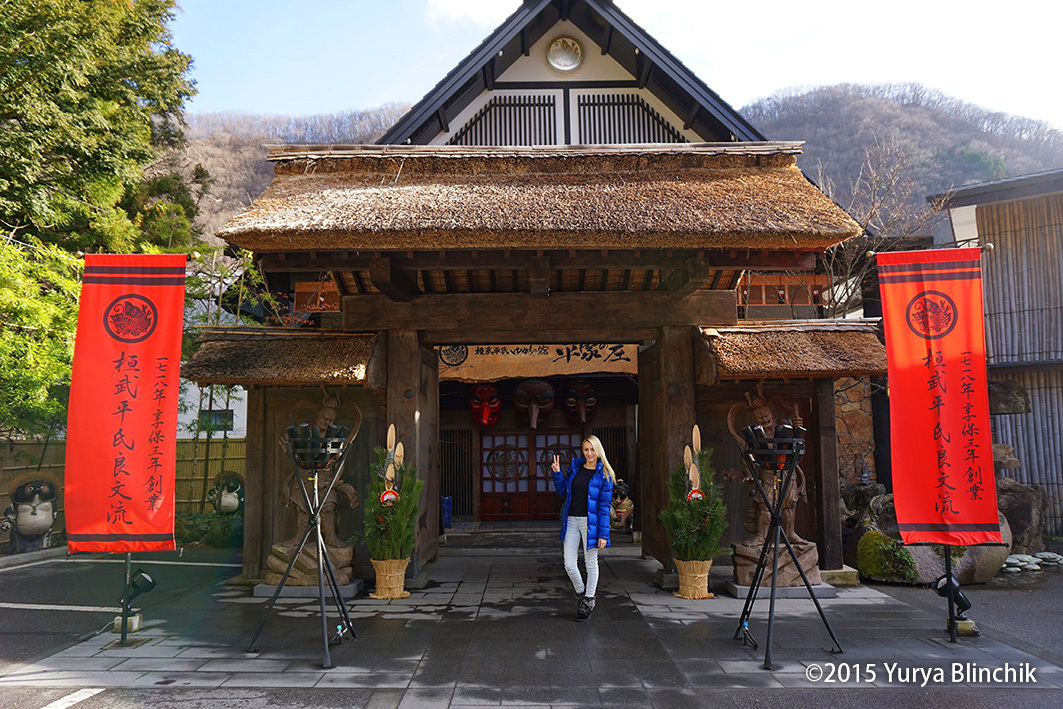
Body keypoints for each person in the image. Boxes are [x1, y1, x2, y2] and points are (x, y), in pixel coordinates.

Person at [551, 435, 616, 621]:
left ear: (598, 451)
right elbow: (563, 491)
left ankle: (589, 599)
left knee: (590, 563)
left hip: (591, 523)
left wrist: (604, 534)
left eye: (592, 449)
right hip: (571, 520)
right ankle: (582, 595)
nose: (589, 453)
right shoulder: (575, 468)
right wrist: (557, 474)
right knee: (569, 564)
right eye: (586, 449)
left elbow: (604, 507)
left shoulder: (604, 475)